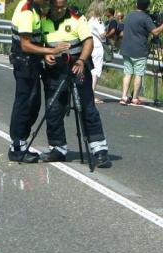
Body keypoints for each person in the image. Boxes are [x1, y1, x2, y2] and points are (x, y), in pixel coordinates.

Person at [40, 0, 111, 168]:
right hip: (55, 71)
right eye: (56, 7)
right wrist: (45, 55)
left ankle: (99, 151)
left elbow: (88, 42)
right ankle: (57, 148)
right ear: (50, 5)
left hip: (77, 68)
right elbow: (40, 44)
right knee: (53, 109)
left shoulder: (77, 18)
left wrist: (81, 60)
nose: (59, 10)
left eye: (62, 7)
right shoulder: (43, 20)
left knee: (87, 108)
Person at [8, 0, 69, 162]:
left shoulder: (35, 9)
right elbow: (25, 45)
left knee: (33, 105)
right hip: (25, 64)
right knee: (25, 105)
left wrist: (44, 54)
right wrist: (51, 50)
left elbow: (35, 40)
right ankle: (17, 147)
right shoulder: (27, 11)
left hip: (31, 64)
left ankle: (20, 144)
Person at [118, 0, 163, 105]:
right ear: (147, 6)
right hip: (139, 50)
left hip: (127, 49)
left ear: (136, 4)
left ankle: (124, 97)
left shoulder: (129, 15)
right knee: (138, 74)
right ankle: (134, 98)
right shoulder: (145, 18)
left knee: (128, 73)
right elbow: (155, 32)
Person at [87, 2, 107, 102]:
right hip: (97, 46)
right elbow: (102, 34)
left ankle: (88, 94)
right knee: (96, 71)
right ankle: (91, 95)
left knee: (90, 70)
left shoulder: (89, 19)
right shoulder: (98, 20)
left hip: (89, 45)